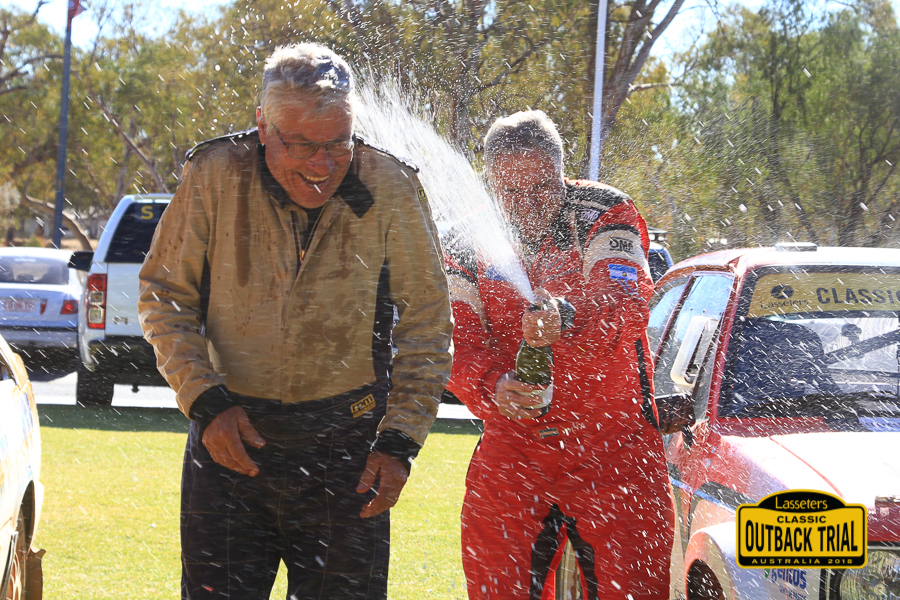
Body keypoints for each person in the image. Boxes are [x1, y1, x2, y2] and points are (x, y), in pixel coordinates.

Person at [138, 43, 452, 600]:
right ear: (262, 125)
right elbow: (165, 295)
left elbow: (427, 322)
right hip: (229, 441)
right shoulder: (213, 173)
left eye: (339, 143)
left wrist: (401, 441)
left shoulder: (391, 186)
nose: (323, 164)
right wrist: (205, 403)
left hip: (348, 451)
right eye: (302, 144)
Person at [444, 111, 673, 600]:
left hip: (614, 446)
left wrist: (569, 319)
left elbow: (628, 305)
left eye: (541, 189)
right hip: (515, 447)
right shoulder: (463, 241)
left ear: (561, 173)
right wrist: (491, 388)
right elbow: (458, 347)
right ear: (490, 185)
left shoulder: (604, 211)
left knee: (634, 590)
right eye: (510, 193)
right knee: (493, 588)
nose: (526, 205)